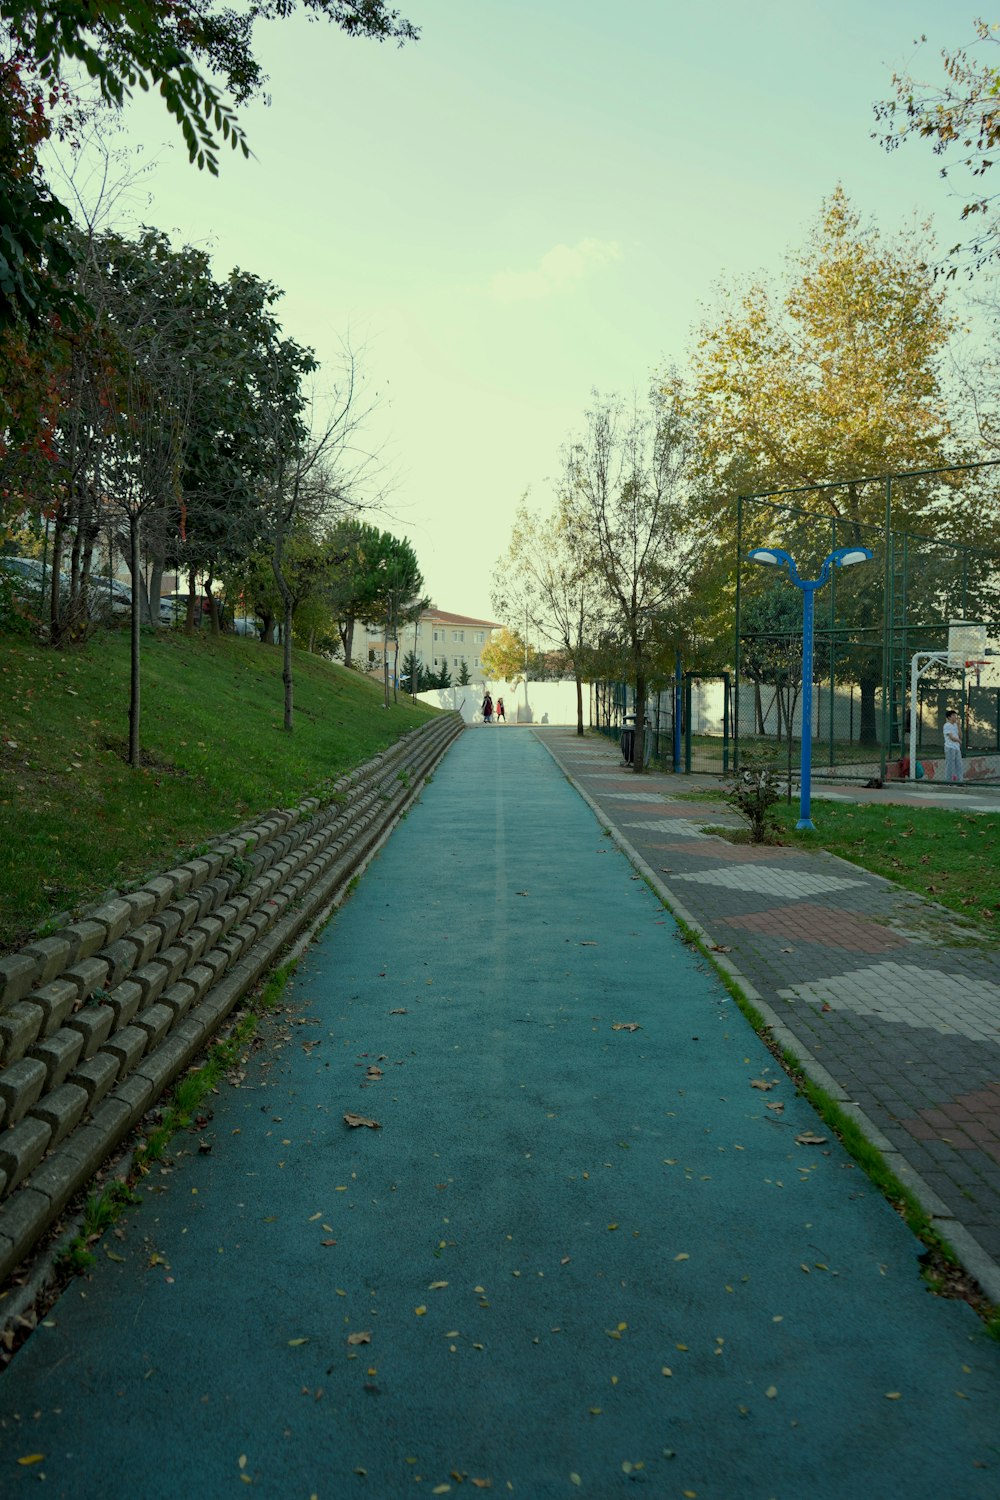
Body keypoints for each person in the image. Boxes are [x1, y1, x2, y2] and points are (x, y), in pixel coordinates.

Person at [943, 709, 964, 783]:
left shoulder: (955, 725)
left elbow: (961, 736)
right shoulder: (946, 725)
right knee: (950, 765)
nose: (955, 717)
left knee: (959, 764)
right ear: (949, 717)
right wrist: (958, 740)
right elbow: (951, 737)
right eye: (953, 715)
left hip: (956, 748)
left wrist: (958, 726)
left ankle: (960, 781)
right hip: (950, 747)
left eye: (956, 715)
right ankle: (949, 781)